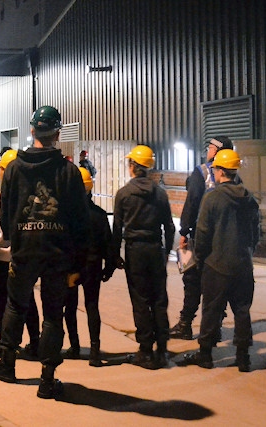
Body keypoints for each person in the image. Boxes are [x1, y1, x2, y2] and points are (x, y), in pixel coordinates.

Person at [0, 105, 90, 400]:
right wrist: (77, 260)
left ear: (32, 131)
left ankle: (7, 363)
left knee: (16, 306)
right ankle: (47, 379)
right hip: (57, 254)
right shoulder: (69, 171)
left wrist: (17, 238)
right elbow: (80, 220)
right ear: (57, 133)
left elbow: (4, 213)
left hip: (25, 251)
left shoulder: (14, 168)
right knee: (53, 315)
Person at [177, 149, 259, 372]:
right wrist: (247, 252)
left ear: (221, 171)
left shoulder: (212, 198)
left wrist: (201, 259)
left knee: (211, 310)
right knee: (242, 310)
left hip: (217, 265)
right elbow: (255, 233)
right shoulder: (249, 198)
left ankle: (205, 355)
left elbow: (203, 234)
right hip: (243, 265)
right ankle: (243, 357)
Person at [111, 145, 175, 370]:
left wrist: (114, 256)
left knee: (140, 300)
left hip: (135, 250)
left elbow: (117, 228)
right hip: (155, 248)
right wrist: (166, 252)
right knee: (159, 299)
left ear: (132, 166)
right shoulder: (160, 193)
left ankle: (145, 350)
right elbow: (169, 226)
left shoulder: (124, 193)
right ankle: (163, 349)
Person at [170, 136, 235, 340]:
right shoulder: (236, 178)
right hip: (225, 241)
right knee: (217, 284)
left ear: (216, 151)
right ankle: (214, 327)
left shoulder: (202, 172)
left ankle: (185, 324)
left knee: (191, 279)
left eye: (210, 147)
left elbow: (191, 203)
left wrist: (183, 232)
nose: (207, 150)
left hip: (200, 237)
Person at [0, 149, 40, 359]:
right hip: (25, 254)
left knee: (3, 299)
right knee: (28, 298)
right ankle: (35, 341)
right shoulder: (33, 196)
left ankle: (6, 342)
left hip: (1, 256)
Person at [63, 166, 115, 367]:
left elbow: (64, 243)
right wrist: (108, 267)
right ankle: (94, 351)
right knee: (92, 306)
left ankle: (74, 347)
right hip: (93, 266)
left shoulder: (68, 216)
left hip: (72, 267)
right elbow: (108, 243)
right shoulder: (100, 215)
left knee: (70, 307)